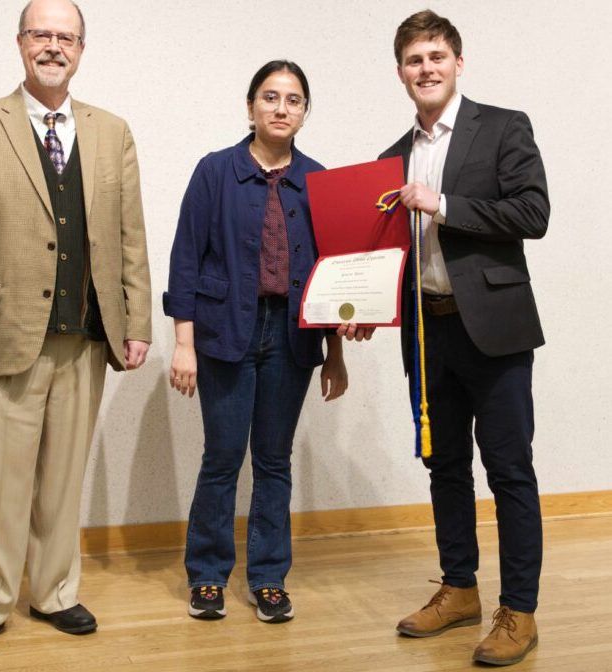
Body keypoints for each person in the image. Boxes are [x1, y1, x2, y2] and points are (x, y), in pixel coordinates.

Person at [0, 0, 151, 654]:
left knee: (62, 477)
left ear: (80, 49)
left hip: (86, 332)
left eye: (66, 36)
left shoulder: (111, 131)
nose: (53, 45)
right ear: (21, 43)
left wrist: (135, 317)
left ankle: (54, 591)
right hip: (4, 333)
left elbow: (129, 236)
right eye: (41, 34)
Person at [341, 9, 549, 666]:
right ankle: (458, 588)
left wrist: (443, 205)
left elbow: (532, 212)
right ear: (400, 73)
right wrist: (360, 305)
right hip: (427, 336)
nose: (425, 69)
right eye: (413, 60)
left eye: (435, 56)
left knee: (509, 471)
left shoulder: (502, 128)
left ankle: (518, 610)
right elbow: (378, 257)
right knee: (444, 468)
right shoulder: (386, 161)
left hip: (495, 330)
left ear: (457, 62)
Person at [164, 60, 347, 623]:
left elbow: (337, 274)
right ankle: (208, 574)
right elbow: (186, 260)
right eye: (270, 97)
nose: (281, 108)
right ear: (250, 107)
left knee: (273, 460)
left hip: (292, 339)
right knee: (222, 457)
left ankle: (268, 577)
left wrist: (335, 354)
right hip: (225, 336)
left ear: (305, 112)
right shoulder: (214, 172)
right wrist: (184, 343)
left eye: (293, 100)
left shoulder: (320, 181)